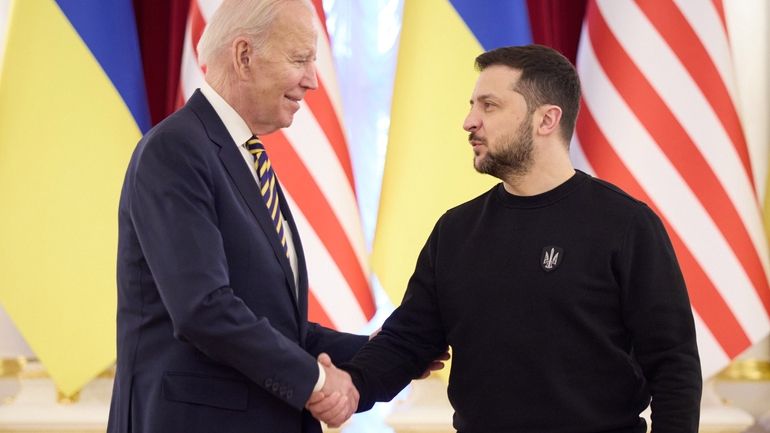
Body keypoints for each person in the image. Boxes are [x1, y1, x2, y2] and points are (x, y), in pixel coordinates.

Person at [319, 45, 703, 432]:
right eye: (473, 105)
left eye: (489, 105)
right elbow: (408, 341)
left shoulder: (626, 224)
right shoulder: (455, 231)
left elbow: (674, 365)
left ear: (547, 119)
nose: (469, 121)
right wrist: (351, 384)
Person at [107, 1, 366, 431]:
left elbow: (274, 320)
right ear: (244, 56)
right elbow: (203, 309)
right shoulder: (175, 150)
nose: (313, 81)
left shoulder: (245, 157)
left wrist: (379, 351)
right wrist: (317, 383)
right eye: (300, 59)